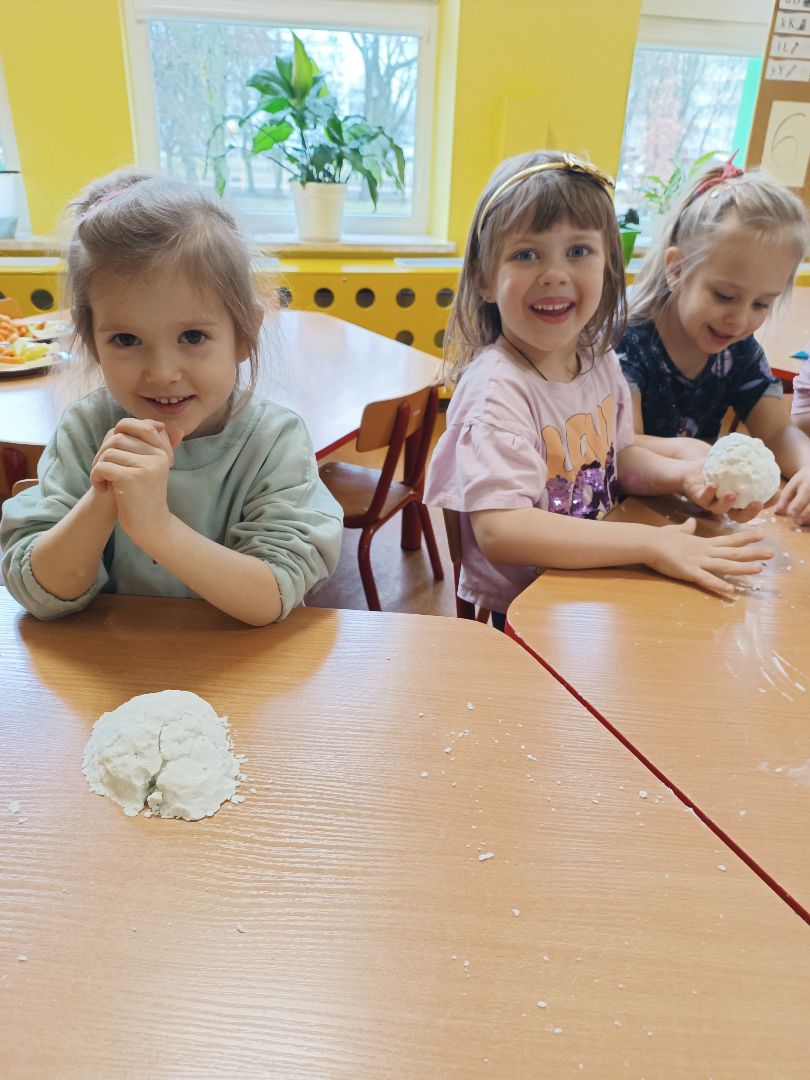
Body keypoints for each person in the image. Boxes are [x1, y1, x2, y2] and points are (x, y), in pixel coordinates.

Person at [424, 150, 773, 628]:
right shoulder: (495, 393)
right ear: (485, 278)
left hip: (595, 585)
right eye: (526, 254)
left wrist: (685, 477)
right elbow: (503, 531)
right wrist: (650, 543)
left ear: (608, 265)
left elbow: (619, 457)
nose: (555, 274)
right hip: (528, 610)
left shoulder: (597, 359)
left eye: (578, 251)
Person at [0, 170, 343, 624]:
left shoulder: (273, 440)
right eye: (126, 339)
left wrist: (155, 527)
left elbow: (272, 595)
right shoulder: (86, 430)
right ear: (93, 344)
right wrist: (103, 500)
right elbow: (38, 593)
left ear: (243, 336)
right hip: (112, 658)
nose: (162, 373)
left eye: (193, 336)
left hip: (235, 661)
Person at [618, 155, 810, 524]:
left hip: (690, 519)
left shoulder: (739, 352)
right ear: (677, 270)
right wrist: (689, 454)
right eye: (724, 296)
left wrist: (807, 466)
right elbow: (624, 444)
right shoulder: (628, 343)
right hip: (620, 519)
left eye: (761, 304)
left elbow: (777, 431)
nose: (740, 320)